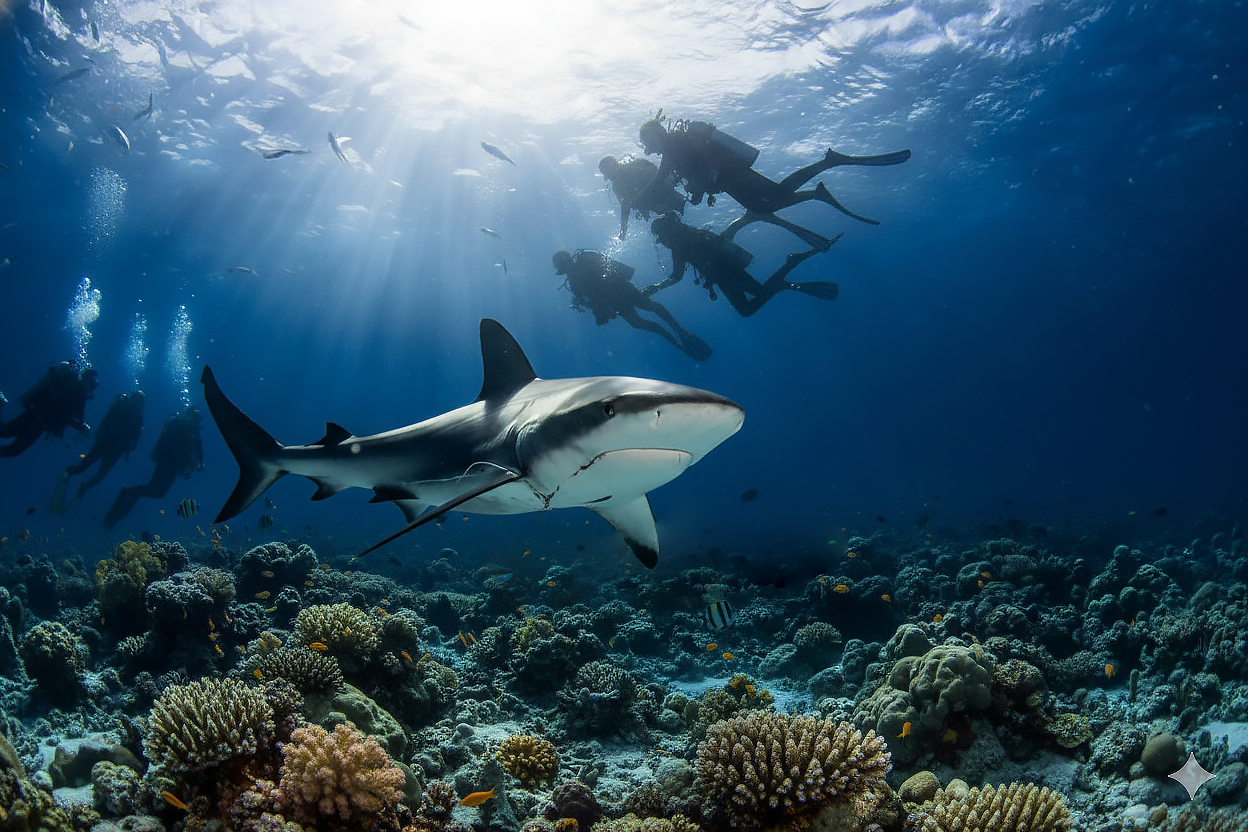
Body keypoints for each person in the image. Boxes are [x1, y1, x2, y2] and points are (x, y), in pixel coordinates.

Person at [636, 116, 911, 225]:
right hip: (728, 181)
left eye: (647, 142)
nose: (647, 148)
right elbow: (663, 179)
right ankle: (817, 191)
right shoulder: (671, 151)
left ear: (656, 135)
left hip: (732, 174)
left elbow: (700, 159)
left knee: (776, 194)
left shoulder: (677, 143)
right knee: (764, 207)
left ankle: (829, 162)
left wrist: (710, 177)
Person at [646, 212, 841, 317]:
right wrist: (746, 219)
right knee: (758, 293)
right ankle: (789, 268)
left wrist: (655, 288)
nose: (660, 241)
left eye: (660, 236)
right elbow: (725, 237)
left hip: (725, 277)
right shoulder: (693, 234)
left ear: (666, 233)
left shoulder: (679, 246)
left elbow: (676, 276)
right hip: (730, 269)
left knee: (747, 309)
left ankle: (788, 271)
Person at [551, 249, 712, 362]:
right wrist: (600, 311)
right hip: (614, 301)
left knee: (649, 306)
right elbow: (586, 301)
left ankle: (678, 329)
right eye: (562, 266)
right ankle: (671, 337)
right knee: (637, 322)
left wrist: (600, 303)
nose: (565, 267)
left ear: (568, 259)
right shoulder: (573, 282)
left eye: (563, 263)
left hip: (620, 288)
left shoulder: (586, 259)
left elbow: (611, 265)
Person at [102, 405, 203, 530]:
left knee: (156, 493)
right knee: (155, 491)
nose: (196, 422)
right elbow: (170, 443)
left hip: (174, 466)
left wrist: (198, 463)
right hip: (166, 462)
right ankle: (126, 494)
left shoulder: (195, 431)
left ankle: (125, 501)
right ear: (189, 416)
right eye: (194, 418)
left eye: (198, 419)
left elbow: (198, 449)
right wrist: (181, 461)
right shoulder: (178, 424)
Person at [52, 390, 146, 515]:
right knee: (87, 469)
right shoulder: (124, 408)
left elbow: (134, 437)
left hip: (111, 447)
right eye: (137, 400)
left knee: (96, 474)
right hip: (107, 445)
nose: (137, 403)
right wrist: (127, 449)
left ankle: (80, 485)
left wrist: (128, 449)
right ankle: (71, 474)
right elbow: (109, 422)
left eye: (139, 401)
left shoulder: (136, 416)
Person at [0, 361, 99, 458]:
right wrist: (80, 426)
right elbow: (62, 413)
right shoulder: (71, 387)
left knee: (10, 445)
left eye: (94, 386)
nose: (92, 388)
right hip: (34, 417)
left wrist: (81, 427)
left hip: (40, 424)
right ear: (84, 379)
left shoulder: (81, 398)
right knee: (7, 440)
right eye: (91, 384)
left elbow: (70, 417)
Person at [598, 154, 687, 239]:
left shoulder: (637, 166)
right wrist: (623, 230)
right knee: (674, 227)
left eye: (606, 173)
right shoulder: (617, 185)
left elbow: (661, 175)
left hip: (665, 198)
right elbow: (625, 206)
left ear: (613, 167)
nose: (606, 178)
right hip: (659, 204)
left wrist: (623, 230)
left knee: (677, 223)